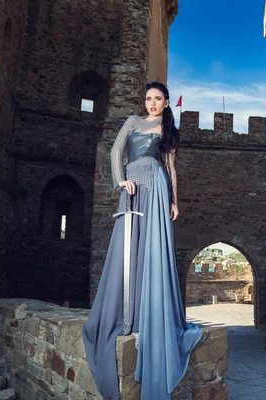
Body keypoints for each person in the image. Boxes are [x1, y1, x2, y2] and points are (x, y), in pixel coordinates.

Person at [82, 81, 202, 400]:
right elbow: (115, 151)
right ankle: (127, 315)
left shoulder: (168, 131)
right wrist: (120, 179)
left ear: (166, 103)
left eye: (157, 99)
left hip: (158, 190)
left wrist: (175, 201)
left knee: (153, 252)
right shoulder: (132, 123)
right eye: (148, 98)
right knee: (128, 249)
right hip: (133, 189)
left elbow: (170, 168)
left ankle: (150, 318)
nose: (151, 103)